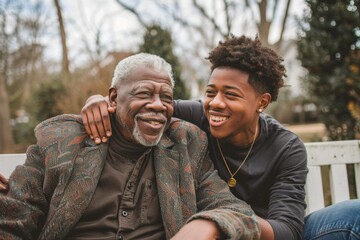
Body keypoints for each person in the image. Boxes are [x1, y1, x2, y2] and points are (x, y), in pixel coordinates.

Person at [80, 34, 360, 240]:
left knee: (354, 214)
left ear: (261, 102)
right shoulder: (197, 115)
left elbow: (287, 230)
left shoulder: (286, 147)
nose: (215, 103)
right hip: (199, 234)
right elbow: (145, 106)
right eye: (211, 91)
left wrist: (224, 222)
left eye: (231, 95)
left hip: (259, 233)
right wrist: (101, 101)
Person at [0, 53, 261, 240]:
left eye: (166, 97)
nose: (158, 105)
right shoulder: (59, 139)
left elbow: (236, 211)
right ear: (113, 97)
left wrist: (208, 224)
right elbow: (14, 219)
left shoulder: (187, 143)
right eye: (144, 93)